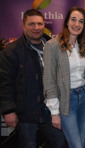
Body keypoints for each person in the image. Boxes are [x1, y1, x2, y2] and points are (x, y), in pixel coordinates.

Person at [0, 9, 67, 148]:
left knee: (60, 142)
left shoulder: (55, 47)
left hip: (51, 109)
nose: (36, 28)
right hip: (25, 112)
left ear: (44, 25)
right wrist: (8, 110)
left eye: (39, 24)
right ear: (23, 26)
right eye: (31, 24)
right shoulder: (11, 51)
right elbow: (4, 84)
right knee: (28, 145)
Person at [43, 7, 85, 148]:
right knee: (76, 145)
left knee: (81, 143)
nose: (77, 24)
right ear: (66, 22)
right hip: (66, 99)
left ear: (84, 26)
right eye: (73, 19)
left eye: (81, 21)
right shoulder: (52, 45)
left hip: (84, 98)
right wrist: (54, 112)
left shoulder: (83, 45)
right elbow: (49, 80)